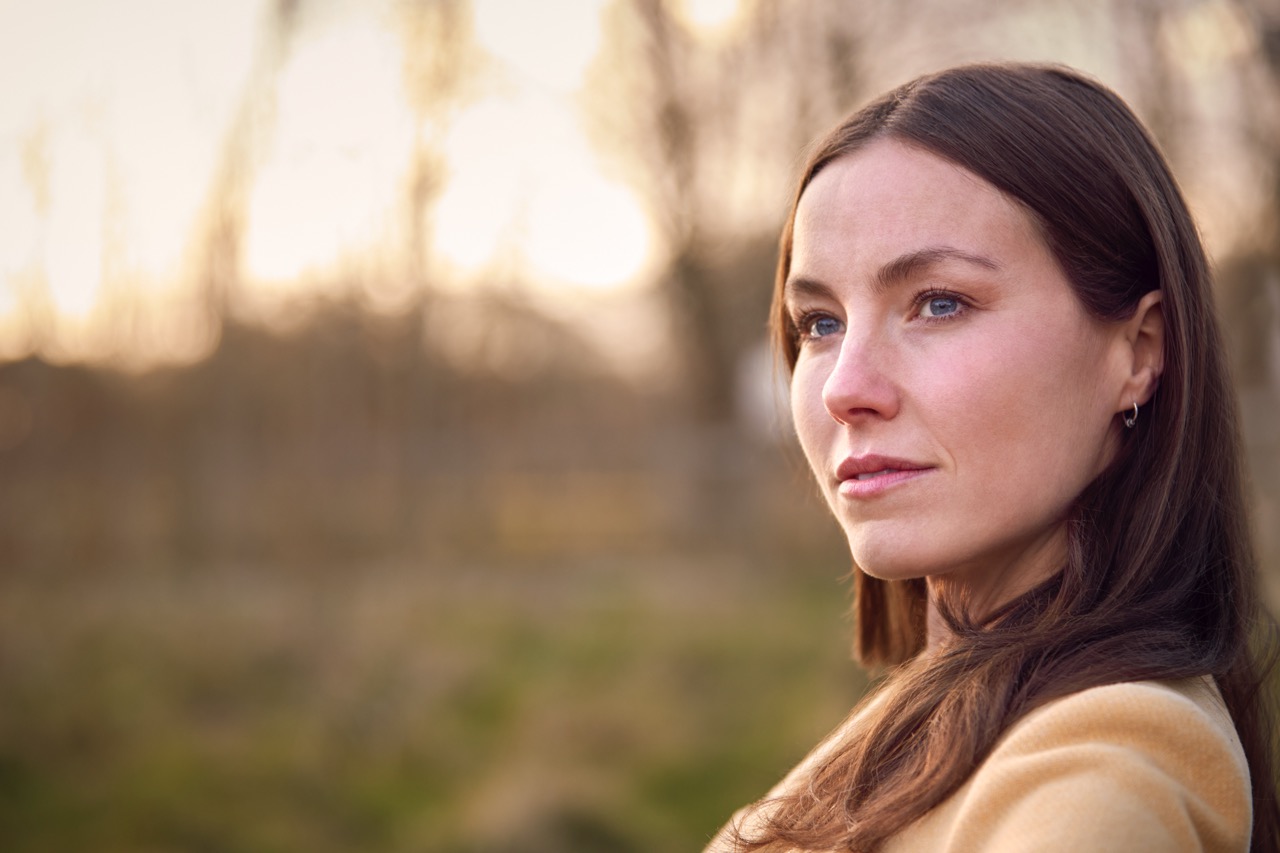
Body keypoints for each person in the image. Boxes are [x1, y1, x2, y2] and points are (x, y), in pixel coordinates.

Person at [705, 63, 1279, 853]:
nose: (845, 388)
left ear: (1138, 351)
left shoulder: (1103, 776)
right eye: (819, 322)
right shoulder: (941, 705)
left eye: (939, 302)